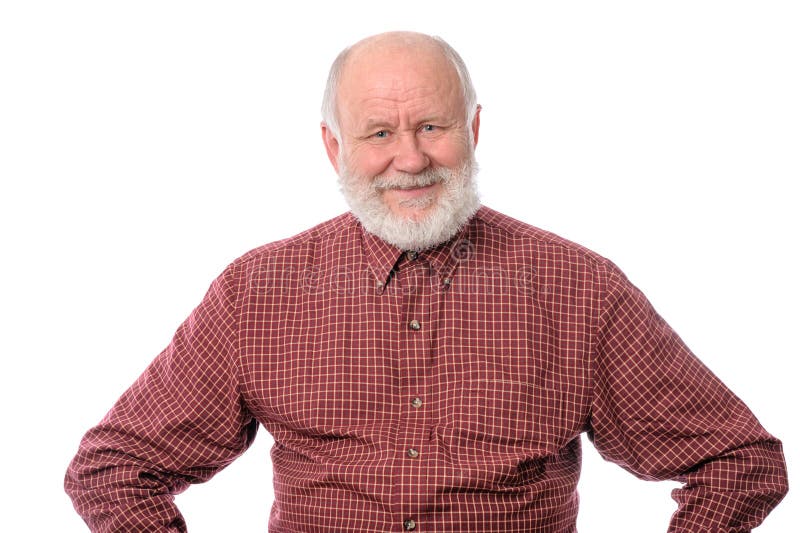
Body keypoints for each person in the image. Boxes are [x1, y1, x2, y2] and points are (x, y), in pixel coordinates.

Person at [65, 31, 788, 532]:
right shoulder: (257, 292)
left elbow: (739, 460)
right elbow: (112, 467)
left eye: (433, 127)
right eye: (379, 132)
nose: (410, 159)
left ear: (474, 128)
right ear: (333, 146)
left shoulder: (580, 289)